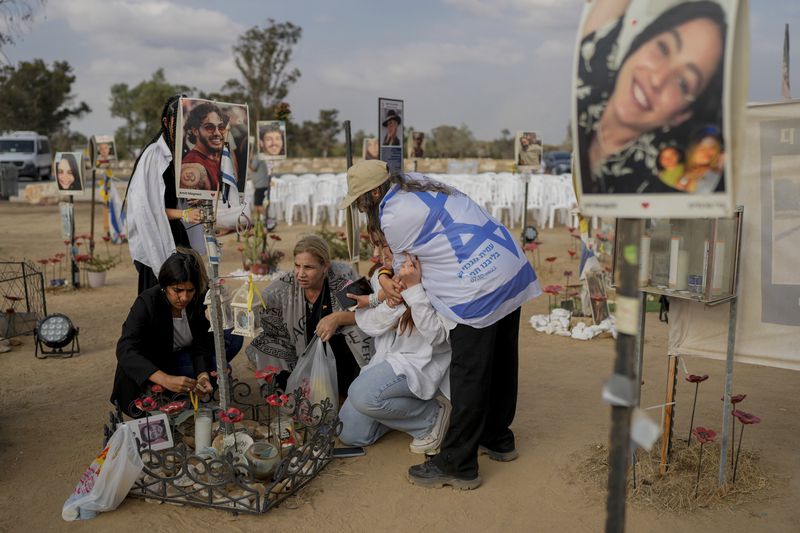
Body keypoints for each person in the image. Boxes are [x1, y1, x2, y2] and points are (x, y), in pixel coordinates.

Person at [339, 160, 541, 490]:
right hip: (505, 265)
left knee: (470, 375)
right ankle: (498, 438)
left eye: (361, 201)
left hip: (475, 286)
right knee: (503, 363)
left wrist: (388, 283)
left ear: (374, 193)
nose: (362, 209)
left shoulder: (391, 215)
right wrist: (389, 276)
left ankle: (458, 464)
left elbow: (408, 273)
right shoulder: (414, 182)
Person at [576, 0, 727, 194]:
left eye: (683, 83)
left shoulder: (654, 182)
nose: (657, 80)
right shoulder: (589, 74)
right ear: (640, 42)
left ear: (680, 116)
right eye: (663, 49)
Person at [339, 239, 452, 454]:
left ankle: (431, 416)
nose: (377, 253)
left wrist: (414, 289)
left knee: (361, 394)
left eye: (384, 248)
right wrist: (385, 298)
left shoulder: (437, 280)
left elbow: (437, 337)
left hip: (421, 365)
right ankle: (395, 412)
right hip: (387, 363)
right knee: (350, 433)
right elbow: (371, 325)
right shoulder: (383, 277)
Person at [246, 235, 373, 397]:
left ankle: (355, 389)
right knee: (264, 343)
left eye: (308, 267)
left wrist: (337, 318)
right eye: (297, 266)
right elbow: (260, 306)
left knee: (356, 331)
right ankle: (291, 394)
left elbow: (370, 314)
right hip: (301, 354)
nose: (300, 274)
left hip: (341, 355)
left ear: (325, 266)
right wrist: (244, 303)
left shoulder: (341, 277)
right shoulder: (287, 284)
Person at [111, 251, 215, 417]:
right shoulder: (147, 302)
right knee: (157, 419)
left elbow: (201, 343)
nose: (184, 297)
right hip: (152, 367)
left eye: (190, 290)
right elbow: (125, 348)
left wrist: (202, 376)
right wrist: (165, 379)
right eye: (178, 290)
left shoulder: (198, 300)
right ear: (165, 286)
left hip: (179, 358)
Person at [125, 94, 200, 294]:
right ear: (167, 122)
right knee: (161, 297)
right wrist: (183, 214)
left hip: (177, 234)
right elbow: (147, 209)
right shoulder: (154, 157)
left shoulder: (184, 154)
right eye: (180, 120)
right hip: (157, 235)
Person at [181, 101, 228, 191]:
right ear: (195, 131)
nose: (217, 133)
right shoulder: (193, 165)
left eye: (221, 127)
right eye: (209, 127)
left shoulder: (216, 158)